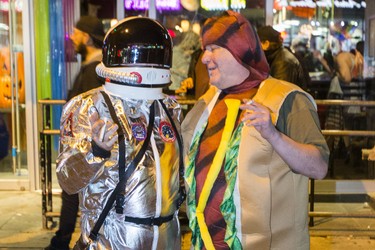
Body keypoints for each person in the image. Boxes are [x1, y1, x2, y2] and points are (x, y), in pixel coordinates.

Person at [181, 10, 329, 249]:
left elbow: (319, 167)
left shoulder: (286, 99)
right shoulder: (206, 103)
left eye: (213, 48)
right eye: (204, 49)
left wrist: (273, 135)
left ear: (239, 48)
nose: (205, 58)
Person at [55, 16, 185, 249]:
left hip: (168, 238)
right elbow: (68, 180)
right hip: (113, 239)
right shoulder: (89, 106)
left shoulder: (169, 108)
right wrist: (96, 151)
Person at [45, 15, 105, 250]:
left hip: (83, 147)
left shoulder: (93, 71)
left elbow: (89, 111)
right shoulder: (92, 67)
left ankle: (60, 243)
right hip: (83, 146)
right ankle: (62, 242)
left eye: (77, 34)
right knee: (73, 195)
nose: (73, 38)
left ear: (87, 38)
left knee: (71, 194)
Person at [257, 25, 309, 90]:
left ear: (266, 43)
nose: (255, 48)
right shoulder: (274, 57)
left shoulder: (283, 62)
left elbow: (279, 93)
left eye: (257, 43)